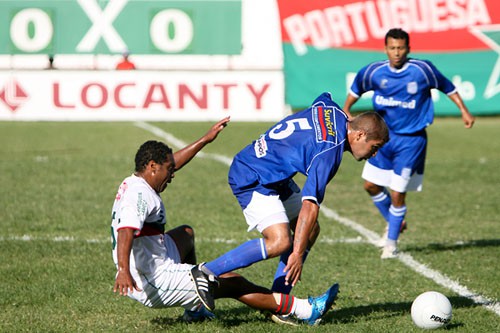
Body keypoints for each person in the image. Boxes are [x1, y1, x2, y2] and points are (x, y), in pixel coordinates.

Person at [111, 119, 339, 326]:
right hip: (150, 280)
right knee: (232, 282)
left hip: (150, 258)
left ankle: (195, 308)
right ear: (152, 166)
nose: (173, 174)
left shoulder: (137, 183)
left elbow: (173, 162)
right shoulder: (139, 196)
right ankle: (302, 309)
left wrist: (205, 139)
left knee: (186, 234)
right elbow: (125, 231)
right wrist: (123, 270)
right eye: (169, 170)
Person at [191, 92, 388, 324]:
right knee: (280, 242)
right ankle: (204, 273)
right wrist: (296, 253)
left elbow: (323, 98)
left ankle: (279, 302)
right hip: (253, 176)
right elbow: (310, 206)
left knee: (310, 231)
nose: (373, 154)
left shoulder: (332, 111)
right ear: (360, 134)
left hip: (274, 174)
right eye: (374, 147)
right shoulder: (329, 152)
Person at [343, 28, 475, 259]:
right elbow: (355, 91)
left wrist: (464, 111)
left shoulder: (422, 70)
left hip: (411, 141)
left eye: (401, 48)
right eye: (392, 48)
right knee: (370, 186)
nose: (396, 52)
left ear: (409, 49)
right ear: (385, 49)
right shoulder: (374, 72)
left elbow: (448, 87)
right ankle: (396, 221)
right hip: (382, 139)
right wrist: (346, 111)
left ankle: (391, 244)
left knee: (397, 192)